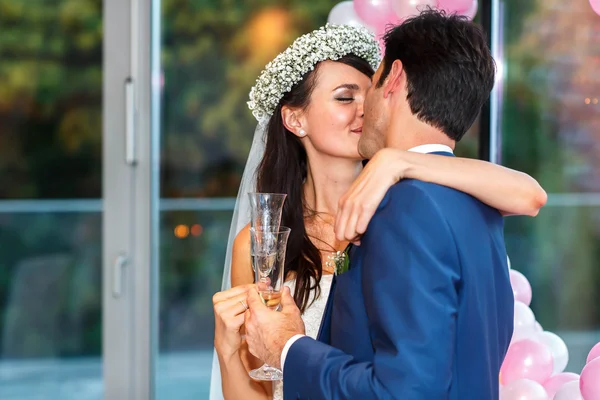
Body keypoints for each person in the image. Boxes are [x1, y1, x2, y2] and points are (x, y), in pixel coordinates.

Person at [212, 16, 545, 400]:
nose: (363, 108)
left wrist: (397, 161)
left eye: (368, 91)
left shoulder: (405, 208)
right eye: (343, 97)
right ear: (294, 118)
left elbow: (530, 193)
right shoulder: (262, 244)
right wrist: (228, 349)